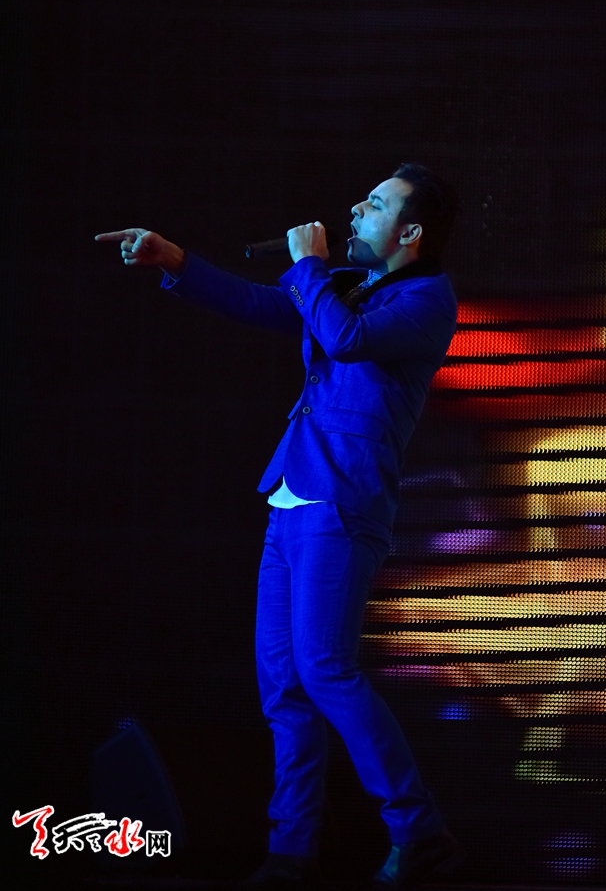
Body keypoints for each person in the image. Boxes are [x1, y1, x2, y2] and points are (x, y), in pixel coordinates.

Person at [96, 163, 462, 890]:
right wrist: (175, 260)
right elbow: (267, 305)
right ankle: (291, 851)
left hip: (342, 501)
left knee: (325, 669)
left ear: (411, 231)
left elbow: (346, 339)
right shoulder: (346, 287)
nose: (356, 208)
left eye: (376, 204)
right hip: (293, 494)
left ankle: (419, 832)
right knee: (284, 687)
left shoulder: (425, 298)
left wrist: (310, 266)